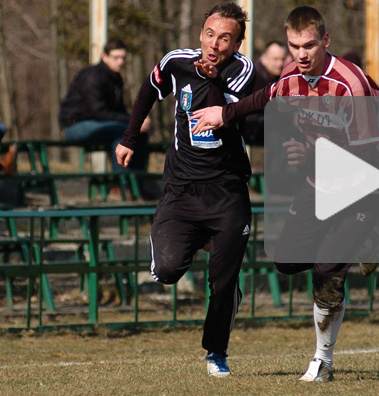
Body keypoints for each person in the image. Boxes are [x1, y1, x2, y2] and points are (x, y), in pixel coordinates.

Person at [189, 5, 379, 383]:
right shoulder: (291, 76)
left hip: (368, 180)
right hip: (325, 175)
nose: (301, 53)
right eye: (294, 45)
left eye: (309, 45)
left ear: (325, 41)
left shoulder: (352, 84)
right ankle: (366, 241)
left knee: (328, 267)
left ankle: (323, 361)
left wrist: (314, 153)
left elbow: (363, 157)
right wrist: (224, 114)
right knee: (286, 261)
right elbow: (264, 97)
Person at [114, 3, 254, 377]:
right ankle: (183, 238)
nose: (214, 44)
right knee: (168, 270)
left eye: (225, 38)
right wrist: (129, 137)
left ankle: (216, 352)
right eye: (209, 34)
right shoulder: (177, 62)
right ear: (200, 34)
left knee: (223, 284)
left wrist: (213, 79)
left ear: (237, 43)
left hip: (227, 191)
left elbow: (233, 108)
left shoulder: (242, 71)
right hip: (181, 189)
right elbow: (147, 90)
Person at [59, 38, 156, 198]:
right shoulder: (92, 75)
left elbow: (117, 111)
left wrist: (136, 123)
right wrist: (131, 121)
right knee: (122, 131)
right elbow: (97, 111)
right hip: (75, 125)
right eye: (116, 57)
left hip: (101, 124)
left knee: (138, 132)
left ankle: (137, 186)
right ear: (105, 57)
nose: (120, 62)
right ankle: (119, 186)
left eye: (123, 58)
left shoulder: (116, 78)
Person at [241, 40, 287, 145]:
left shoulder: (281, 78)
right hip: (248, 125)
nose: (279, 64)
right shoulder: (253, 75)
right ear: (264, 59)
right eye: (275, 59)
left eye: (282, 59)